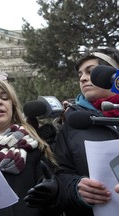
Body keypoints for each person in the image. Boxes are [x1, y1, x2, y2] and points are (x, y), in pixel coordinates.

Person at [0, 74, 64, 216]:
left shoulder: (35, 146)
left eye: (5, 98)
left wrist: (55, 194)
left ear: (12, 106)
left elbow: (54, 205)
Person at [52, 47, 119, 216]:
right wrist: (76, 188)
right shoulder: (72, 122)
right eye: (80, 74)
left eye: (91, 72)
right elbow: (60, 174)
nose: (82, 78)